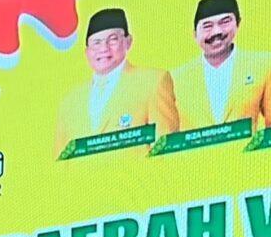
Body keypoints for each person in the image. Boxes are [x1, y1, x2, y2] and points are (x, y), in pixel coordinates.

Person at [55, 8, 180, 149]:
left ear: (128, 42)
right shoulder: (70, 100)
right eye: (96, 42)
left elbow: (165, 147)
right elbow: (61, 156)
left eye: (113, 40)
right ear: (87, 52)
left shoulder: (153, 81)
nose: (104, 49)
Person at [169, 0, 271, 131]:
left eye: (224, 22)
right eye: (207, 26)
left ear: (238, 23)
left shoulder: (262, 65)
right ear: (195, 34)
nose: (216, 32)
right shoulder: (174, 79)